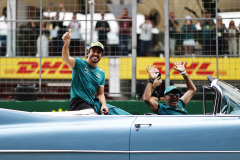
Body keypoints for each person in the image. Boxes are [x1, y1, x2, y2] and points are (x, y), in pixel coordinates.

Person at [62, 29, 109, 114]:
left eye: (98, 52)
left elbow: (100, 94)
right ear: (88, 53)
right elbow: (66, 58)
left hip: (91, 105)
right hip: (78, 103)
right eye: (93, 51)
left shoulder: (101, 73)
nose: (95, 53)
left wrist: (104, 105)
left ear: (101, 56)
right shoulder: (79, 64)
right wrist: (67, 43)